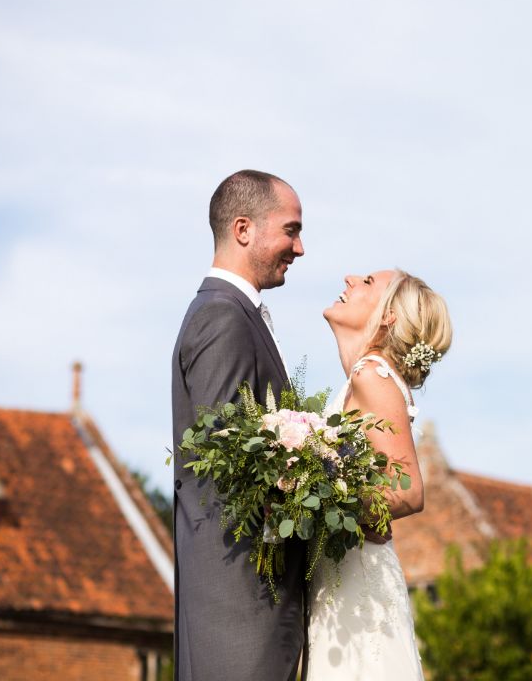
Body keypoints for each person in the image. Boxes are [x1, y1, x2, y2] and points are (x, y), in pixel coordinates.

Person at [171, 170, 307, 681]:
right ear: (244, 229)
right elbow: (228, 459)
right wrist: (315, 483)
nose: (299, 248)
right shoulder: (223, 315)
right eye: (291, 230)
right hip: (238, 604)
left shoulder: (229, 312)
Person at [307, 269, 453, 679]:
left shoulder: (372, 374)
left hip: (358, 583)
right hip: (344, 581)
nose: (350, 278)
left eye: (368, 281)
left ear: (388, 317)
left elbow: (410, 491)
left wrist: (332, 510)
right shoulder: (367, 376)